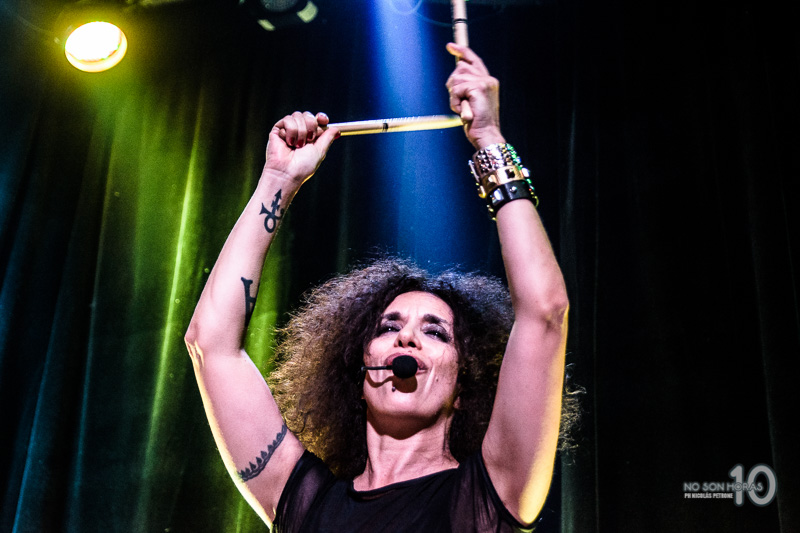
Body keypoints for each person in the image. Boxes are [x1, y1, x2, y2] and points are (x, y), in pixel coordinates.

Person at [185, 43, 573, 532]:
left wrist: (489, 140)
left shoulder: (488, 494)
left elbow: (544, 313)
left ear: (463, 387)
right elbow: (210, 343)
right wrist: (278, 180)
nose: (406, 337)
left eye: (436, 332)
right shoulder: (304, 501)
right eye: (388, 326)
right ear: (358, 369)